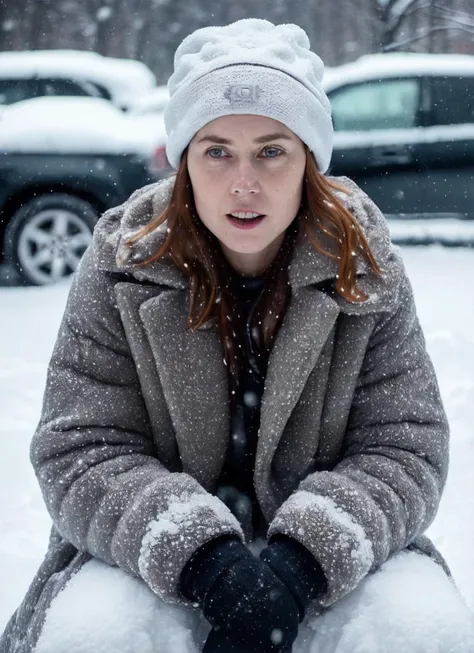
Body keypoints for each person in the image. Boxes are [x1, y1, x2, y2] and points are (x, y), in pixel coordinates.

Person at [2, 17, 474, 653]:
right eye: (217, 151)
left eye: (272, 151)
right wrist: (204, 558)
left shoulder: (364, 264)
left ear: (309, 160)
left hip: (330, 555)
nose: (243, 183)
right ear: (184, 163)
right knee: (95, 635)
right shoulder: (122, 261)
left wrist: (304, 558)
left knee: (420, 633)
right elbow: (81, 448)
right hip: (152, 553)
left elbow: (405, 448)